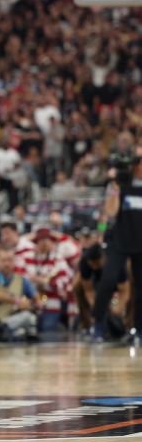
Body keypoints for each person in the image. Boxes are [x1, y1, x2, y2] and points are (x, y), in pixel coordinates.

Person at [92, 146, 142, 345]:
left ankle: (138, 329)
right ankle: (97, 324)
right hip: (119, 241)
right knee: (108, 280)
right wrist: (115, 185)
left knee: (141, 288)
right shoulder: (119, 184)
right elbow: (110, 212)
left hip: (140, 242)